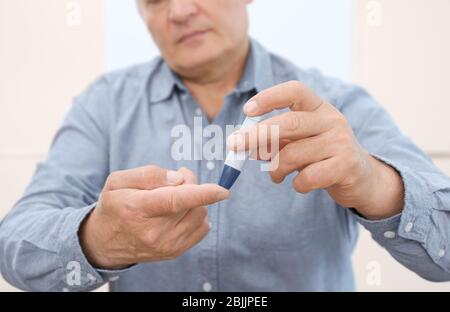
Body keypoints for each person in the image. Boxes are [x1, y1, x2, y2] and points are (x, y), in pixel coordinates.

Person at [1, 0, 449, 292]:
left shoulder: (337, 105)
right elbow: (14, 246)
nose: (177, 11)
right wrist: (97, 239)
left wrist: (374, 182)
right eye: (154, 0)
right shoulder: (105, 105)